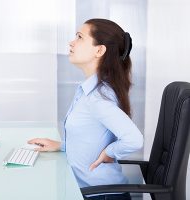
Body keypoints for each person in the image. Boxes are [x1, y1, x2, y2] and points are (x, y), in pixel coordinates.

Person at [28, 18, 143, 200]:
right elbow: (92, 140)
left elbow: (134, 140)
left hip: (100, 196)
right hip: (92, 193)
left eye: (80, 37)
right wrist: (61, 146)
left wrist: (109, 152)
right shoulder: (90, 90)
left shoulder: (98, 98)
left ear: (99, 50)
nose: (71, 42)